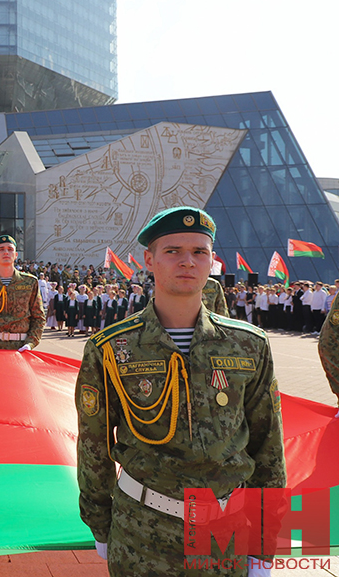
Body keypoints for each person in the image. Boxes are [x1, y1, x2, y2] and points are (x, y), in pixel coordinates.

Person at [76, 206, 285, 576]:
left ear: (211, 262)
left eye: (199, 252)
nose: (187, 261)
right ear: (150, 260)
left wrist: (264, 540)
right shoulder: (111, 348)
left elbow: (267, 450)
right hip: (142, 529)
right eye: (173, 251)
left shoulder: (248, 345)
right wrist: (98, 519)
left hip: (225, 532)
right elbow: (94, 445)